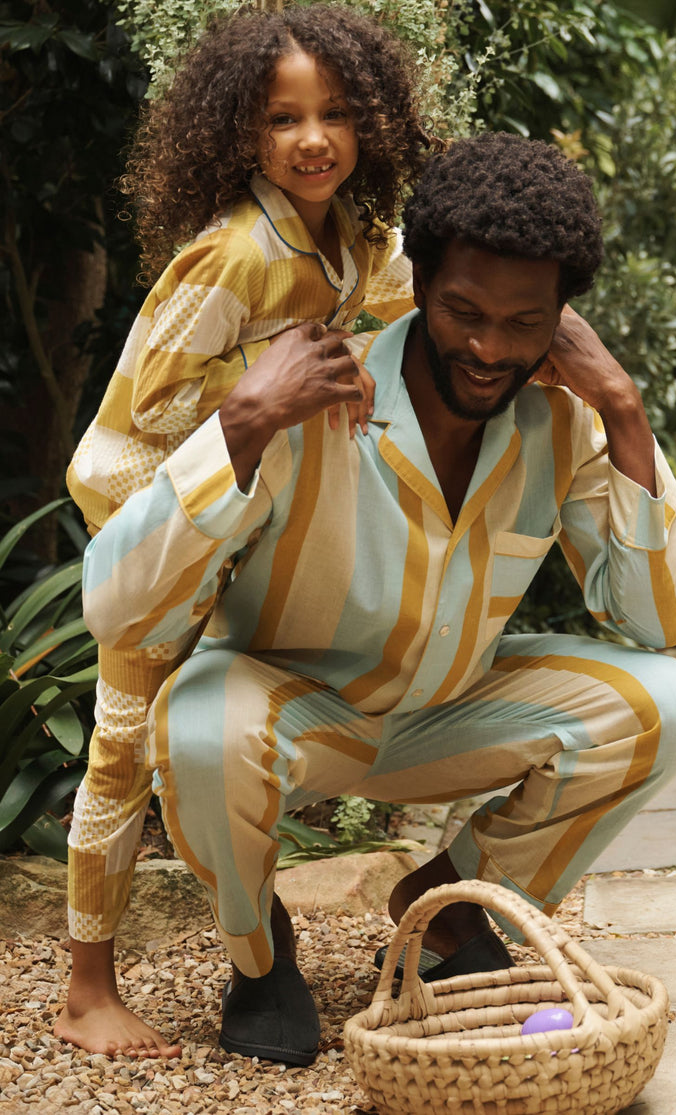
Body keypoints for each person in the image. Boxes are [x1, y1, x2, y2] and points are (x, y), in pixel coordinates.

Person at [80, 133, 676, 1066]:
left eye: (524, 323)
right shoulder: (315, 394)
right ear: (418, 283)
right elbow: (120, 610)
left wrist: (621, 406)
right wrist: (245, 420)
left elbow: (658, 622)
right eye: (463, 311)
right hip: (293, 709)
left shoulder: (563, 415)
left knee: (669, 703)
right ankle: (260, 956)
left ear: (563, 320)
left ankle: (447, 909)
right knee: (201, 723)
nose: (489, 348)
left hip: (450, 711)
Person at [58, 2, 437, 1058]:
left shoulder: (356, 236)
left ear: (370, 123)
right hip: (152, 498)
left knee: (230, 714)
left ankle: (255, 948)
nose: (310, 138)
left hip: (246, 501)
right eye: (282, 119)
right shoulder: (230, 256)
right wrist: (277, 383)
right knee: (125, 743)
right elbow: (147, 407)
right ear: (243, 135)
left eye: (333, 113)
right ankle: (85, 990)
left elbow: (422, 301)